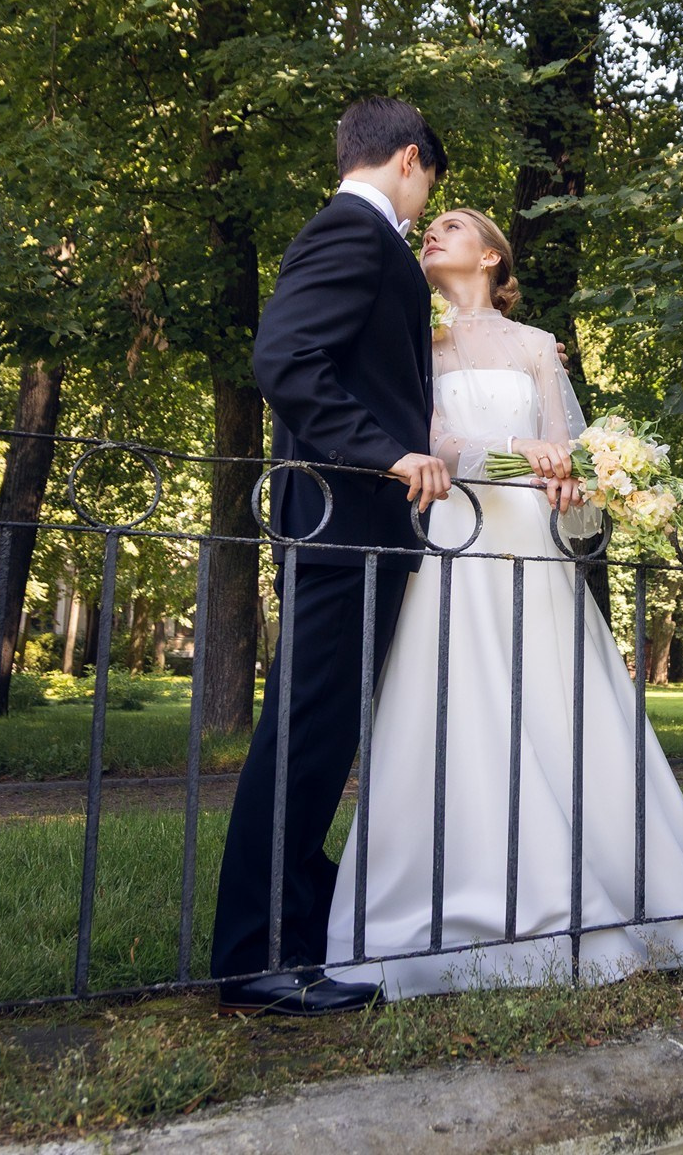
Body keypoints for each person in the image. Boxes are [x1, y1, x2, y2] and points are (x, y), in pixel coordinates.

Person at [322, 207, 683, 998]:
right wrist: (519, 450)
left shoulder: (536, 348)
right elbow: (436, 443)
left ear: (491, 256)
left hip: (528, 537)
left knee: (563, 702)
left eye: (452, 226)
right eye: (431, 225)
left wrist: (569, 479)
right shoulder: (417, 343)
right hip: (458, 531)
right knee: (451, 701)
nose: (433, 232)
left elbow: (567, 449)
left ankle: (616, 891)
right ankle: (454, 902)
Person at [208, 96, 453, 1015]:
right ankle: (254, 957)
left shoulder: (361, 238)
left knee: (321, 737)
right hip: (341, 520)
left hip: (359, 528)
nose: (426, 204)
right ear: (406, 160)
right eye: (430, 180)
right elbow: (287, 358)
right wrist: (387, 454)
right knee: (304, 738)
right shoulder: (353, 232)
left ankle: (295, 936)